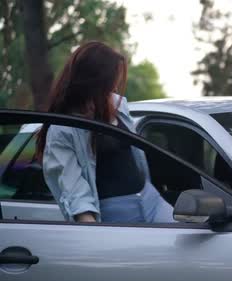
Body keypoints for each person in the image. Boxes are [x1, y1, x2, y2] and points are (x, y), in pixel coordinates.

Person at [35, 41, 174, 223]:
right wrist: (91, 230)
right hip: (115, 213)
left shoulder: (118, 105)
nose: (115, 86)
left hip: (152, 200)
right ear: (95, 81)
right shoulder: (63, 129)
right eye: (111, 80)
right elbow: (73, 190)